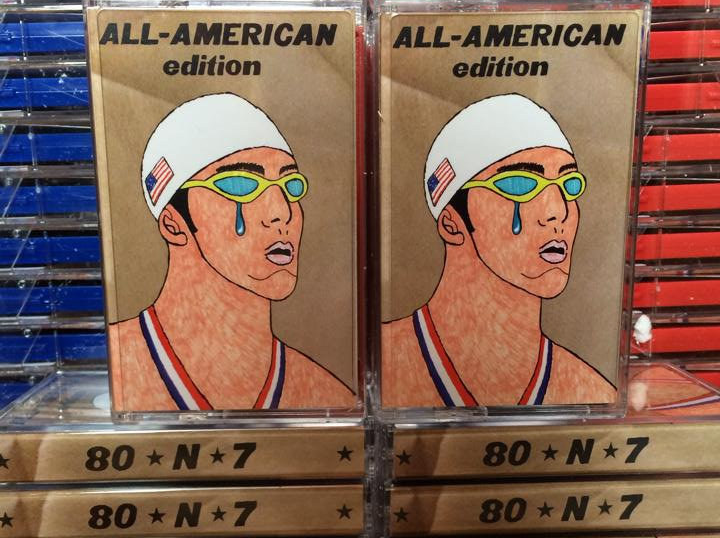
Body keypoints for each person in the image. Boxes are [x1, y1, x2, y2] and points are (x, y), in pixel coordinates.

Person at [109, 92, 354, 411]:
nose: (281, 212)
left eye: (290, 186)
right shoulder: (117, 364)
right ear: (173, 224)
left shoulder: (327, 397)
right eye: (240, 185)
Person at [382, 93, 615, 407]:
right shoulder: (379, 366)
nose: (557, 210)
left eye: (568, 184)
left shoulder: (592, 394)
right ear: (452, 224)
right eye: (519, 184)